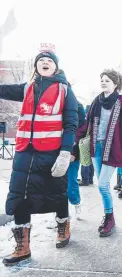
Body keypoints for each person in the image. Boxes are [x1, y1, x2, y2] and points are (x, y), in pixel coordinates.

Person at [0, 51, 78, 266]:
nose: (45, 63)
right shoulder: (27, 88)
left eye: (49, 61)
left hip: (51, 152)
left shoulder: (65, 90)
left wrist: (65, 153)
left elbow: (71, 123)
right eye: (41, 61)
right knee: (19, 195)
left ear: (56, 67)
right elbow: (3, 90)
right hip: (25, 152)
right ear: (36, 66)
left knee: (56, 193)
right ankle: (22, 247)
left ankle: (63, 227)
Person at [76, 69, 122, 237]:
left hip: (112, 149)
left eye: (107, 80)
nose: (104, 82)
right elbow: (86, 124)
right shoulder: (97, 101)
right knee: (102, 185)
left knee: (103, 184)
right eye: (102, 80)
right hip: (96, 148)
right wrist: (74, 139)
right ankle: (108, 216)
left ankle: (109, 218)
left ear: (115, 84)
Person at [68, 101, 86, 219]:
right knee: (57, 185)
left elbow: (82, 135)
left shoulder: (78, 106)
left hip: (73, 155)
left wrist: (74, 154)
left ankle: (76, 203)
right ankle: (60, 213)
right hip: (57, 153)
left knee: (71, 183)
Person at [80, 105, 94, 186]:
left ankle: (85, 180)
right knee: (91, 161)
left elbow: (82, 131)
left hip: (86, 142)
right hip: (93, 142)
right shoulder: (95, 121)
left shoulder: (86, 121)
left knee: (84, 160)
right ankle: (90, 179)